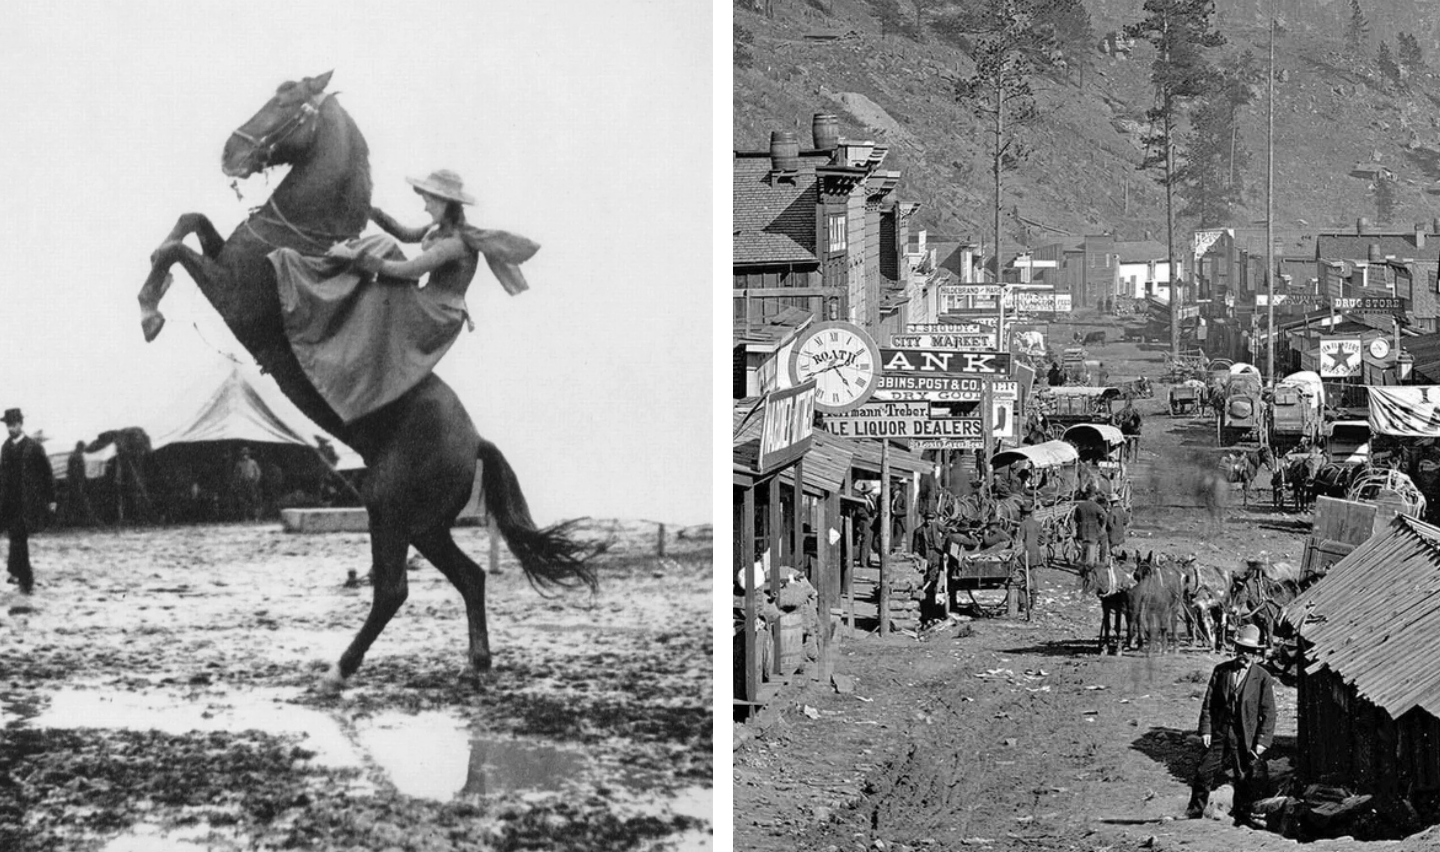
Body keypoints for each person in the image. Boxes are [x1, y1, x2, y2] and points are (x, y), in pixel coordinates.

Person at [271, 169, 540, 424]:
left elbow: (409, 269)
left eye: (429, 201)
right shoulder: (438, 229)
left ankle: (328, 325)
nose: (425, 207)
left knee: (376, 293)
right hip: (427, 300)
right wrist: (369, 210)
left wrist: (354, 256)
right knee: (385, 244)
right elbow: (403, 234)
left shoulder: (455, 244)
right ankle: (319, 279)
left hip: (437, 313)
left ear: (446, 203)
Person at [1187, 624, 1276, 822]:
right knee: (1204, 771)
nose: (1245, 654)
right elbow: (1208, 703)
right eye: (1242, 649)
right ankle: (1194, 813)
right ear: (1235, 649)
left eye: (1250, 651)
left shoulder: (1262, 678)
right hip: (1220, 731)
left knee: (1243, 777)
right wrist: (1206, 730)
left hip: (1245, 735)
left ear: (1255, 654)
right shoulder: (1221, 671)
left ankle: (1242, 818)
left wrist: (1262, 742)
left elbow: (1269, 713)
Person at [0, 409, 56, 594]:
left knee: (19, 537)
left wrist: (51, 498)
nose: (10, 428)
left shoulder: (33, 447)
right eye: (8, 425)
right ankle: (22, 576)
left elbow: (47, 473)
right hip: (9, 502)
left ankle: (21, 575)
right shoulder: (6, 448)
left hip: (29, 501)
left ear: (20, 425)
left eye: (13, 424)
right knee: (16, 537)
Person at [1073, 490, 1107, 572]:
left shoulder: (1080, 506)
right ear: (1093, 497)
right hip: (1093, 531)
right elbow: (1104, 515)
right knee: (1091, 550)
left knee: (1083, 550)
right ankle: (1089, 569)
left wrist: (1079, 523)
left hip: (1082, 530)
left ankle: (1081, 568)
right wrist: (1103, 526)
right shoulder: (1095, 506)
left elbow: (1075, 518)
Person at [65, 441, 96, 526]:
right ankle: (85, 521)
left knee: (74, 502)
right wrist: (80, 483)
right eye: (83, 448)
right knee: (79, 501)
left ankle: (74, 521)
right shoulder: (77, 456)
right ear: (80, 447)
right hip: (76, 482)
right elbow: (76, 472)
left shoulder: (73, 455)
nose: (83, 450)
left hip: (74, 482)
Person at [233, 447, 262, 522]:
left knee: (254, 500)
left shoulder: (253, 462)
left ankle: (256, 517)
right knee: (243, 501)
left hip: (252, 483)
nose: (245, 456)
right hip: (243, 484)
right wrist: (238, 483)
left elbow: (258, 472)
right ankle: (245, 517)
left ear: (249, 455)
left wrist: (256, 481)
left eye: (246, 454)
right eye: (243, 454)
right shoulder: (239, 464)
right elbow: (236, 474)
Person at [1104, 495, 1129, 562]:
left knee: (1112, 552)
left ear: (1111, 502)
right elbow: (1125, 521)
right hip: (1120, 533)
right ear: (1117, 501)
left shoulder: (1112, 511)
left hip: (1112, 534)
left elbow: (1109, 523)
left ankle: (1113, 563)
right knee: (1118, 549)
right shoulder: (1121, 510)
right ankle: (1118, 562)